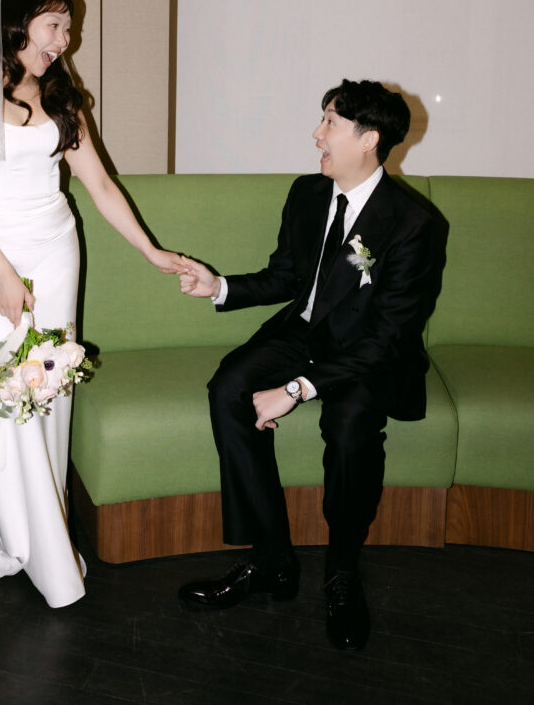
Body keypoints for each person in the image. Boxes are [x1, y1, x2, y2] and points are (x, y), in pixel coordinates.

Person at [0, 0, 182, 608]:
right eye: (55, 25)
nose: (66, 39)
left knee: (50, 389)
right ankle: (37, 545)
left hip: (56, 252)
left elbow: (101, 187)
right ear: (18, 23)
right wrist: (3, 272)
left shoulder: (61, 97)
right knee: (12, 391)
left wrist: (152, 250)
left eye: (67, 27)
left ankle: (40, 528)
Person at [176, 79, 435, 651]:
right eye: (321, 119)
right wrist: (217, 285)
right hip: (305, 331)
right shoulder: (308, 192)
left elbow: (389, 337)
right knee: (230, 390)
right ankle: (270, 561)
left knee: (347, 428)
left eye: (330, 123)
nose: (316, 134)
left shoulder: (414, 225)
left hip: (368, 354)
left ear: (368, 139)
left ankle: (342, 572)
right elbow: (289, 277)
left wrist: (296, 388)